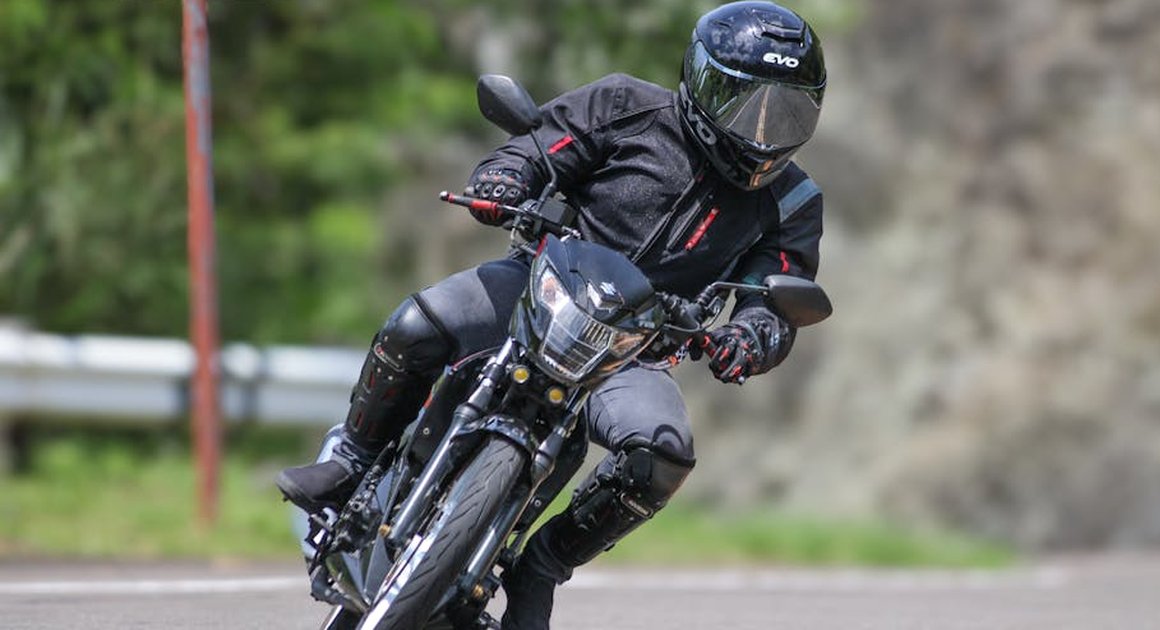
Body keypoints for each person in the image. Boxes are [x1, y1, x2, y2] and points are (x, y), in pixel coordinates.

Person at [277, 2, 827, 628]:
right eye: (744, 103)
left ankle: (541, 566)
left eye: (785, 110)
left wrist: (751, 336)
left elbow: (774, 297)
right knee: (417, 325)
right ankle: (349, 462)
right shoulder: (625, 104)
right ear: (701, 82)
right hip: (537, 288)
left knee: (661, 456)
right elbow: (535, 146)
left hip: (635, 352)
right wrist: (503, 181)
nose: (761, 129)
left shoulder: (793, 200)